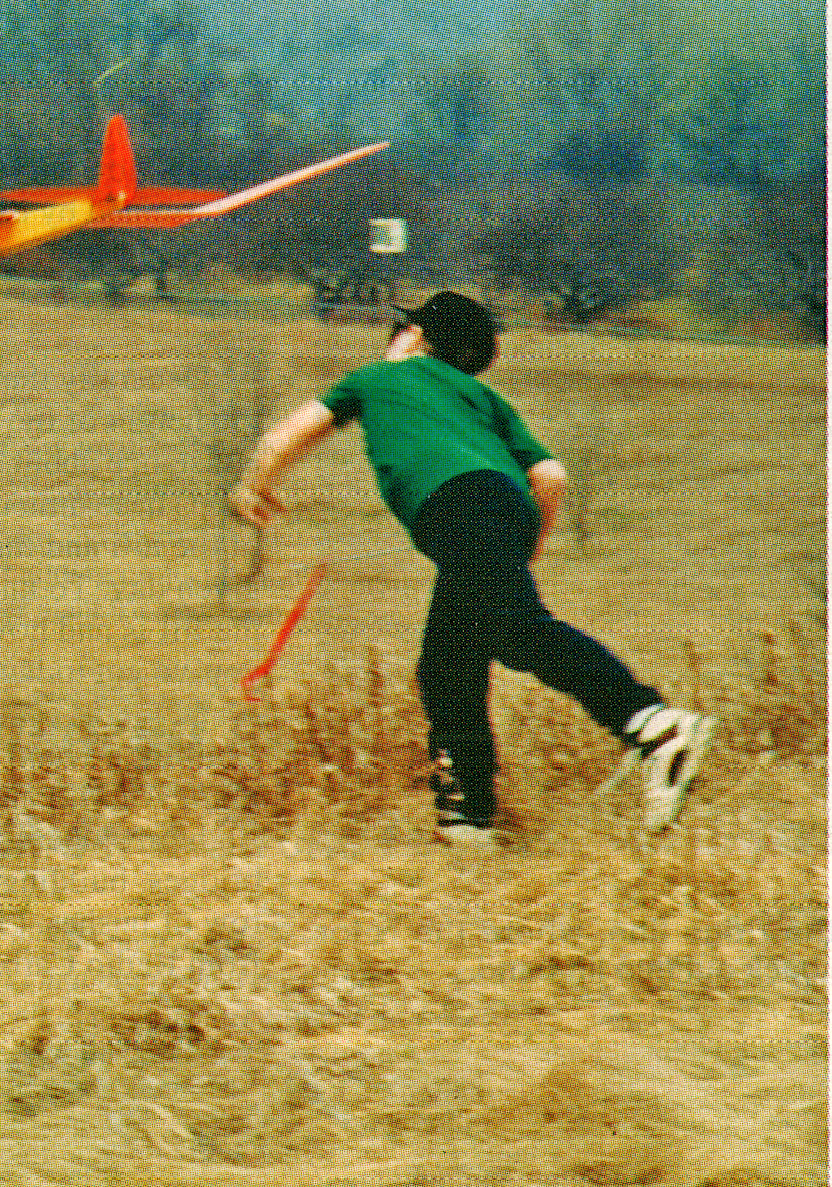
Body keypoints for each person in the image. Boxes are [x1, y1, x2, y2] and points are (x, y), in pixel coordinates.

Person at [228, 289, 716, 845]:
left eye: (398, 332)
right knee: (447, 664)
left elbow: (298, 428)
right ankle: (468, 815)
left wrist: (254, 483)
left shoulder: (374, 379)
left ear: (413, 337)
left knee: (517, 631)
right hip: (504, 509)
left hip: (456, 509)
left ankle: (654, 724)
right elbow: (551, 477)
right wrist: (528, 542)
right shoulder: (485, 400)